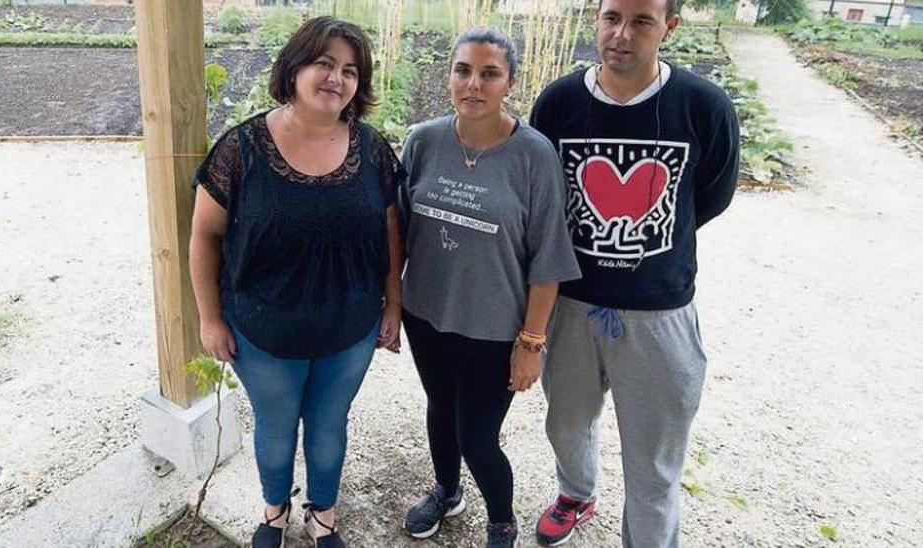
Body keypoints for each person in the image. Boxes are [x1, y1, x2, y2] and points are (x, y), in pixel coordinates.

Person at [527, 0, 740, 544]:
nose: (622, 34)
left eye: (641, 21)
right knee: (567, 422)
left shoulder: (703, 106)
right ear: (596, 21)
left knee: (655, 457)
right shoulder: (559, 103)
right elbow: (543, 196)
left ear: (668, 27)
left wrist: (647, 244)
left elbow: (710, 196)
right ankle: (576, 492)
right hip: (571, 303)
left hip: (659, 311)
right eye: (611, 17)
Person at [188, 16, 404, 548]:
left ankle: (323, 517)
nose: (337, 77)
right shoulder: (241, 150)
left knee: (329, 430)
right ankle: (274, 513)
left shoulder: (373, 150)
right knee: (277, 430)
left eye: (350, 70)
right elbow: (203, 236)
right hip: (263, 332)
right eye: (324, 63)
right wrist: (210, 318)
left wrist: (392, 307)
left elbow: (392, 236)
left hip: (349, 329)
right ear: (295, 67)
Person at [397, 28, 581, 548]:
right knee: (439, 409)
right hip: (426, 315)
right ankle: (447, 490)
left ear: (510, 83)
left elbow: (549, 258)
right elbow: (398, 233)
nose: (473, 84)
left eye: (489, 73)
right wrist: (392, 306)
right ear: (450, 75)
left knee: (478, 436)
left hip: (495, 328)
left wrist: (531, 344)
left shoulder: (534, 155)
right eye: (463, 70)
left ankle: (502, 519)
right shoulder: (424, 140)